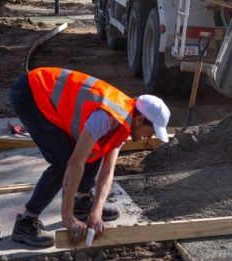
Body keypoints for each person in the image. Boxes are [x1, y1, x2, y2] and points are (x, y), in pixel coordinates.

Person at [9, 67, 170, 247]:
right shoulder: (106, 117)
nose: (151, 136)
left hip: (43, 94)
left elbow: (107, 172)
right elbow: (75, 163)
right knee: (63, 162)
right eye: (152, 131)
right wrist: (67, 218)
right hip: (31, 93)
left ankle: (83, 202)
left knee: (95, 150)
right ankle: (26, 222)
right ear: (140, 120)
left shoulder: (125, 122)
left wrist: (97, 212)